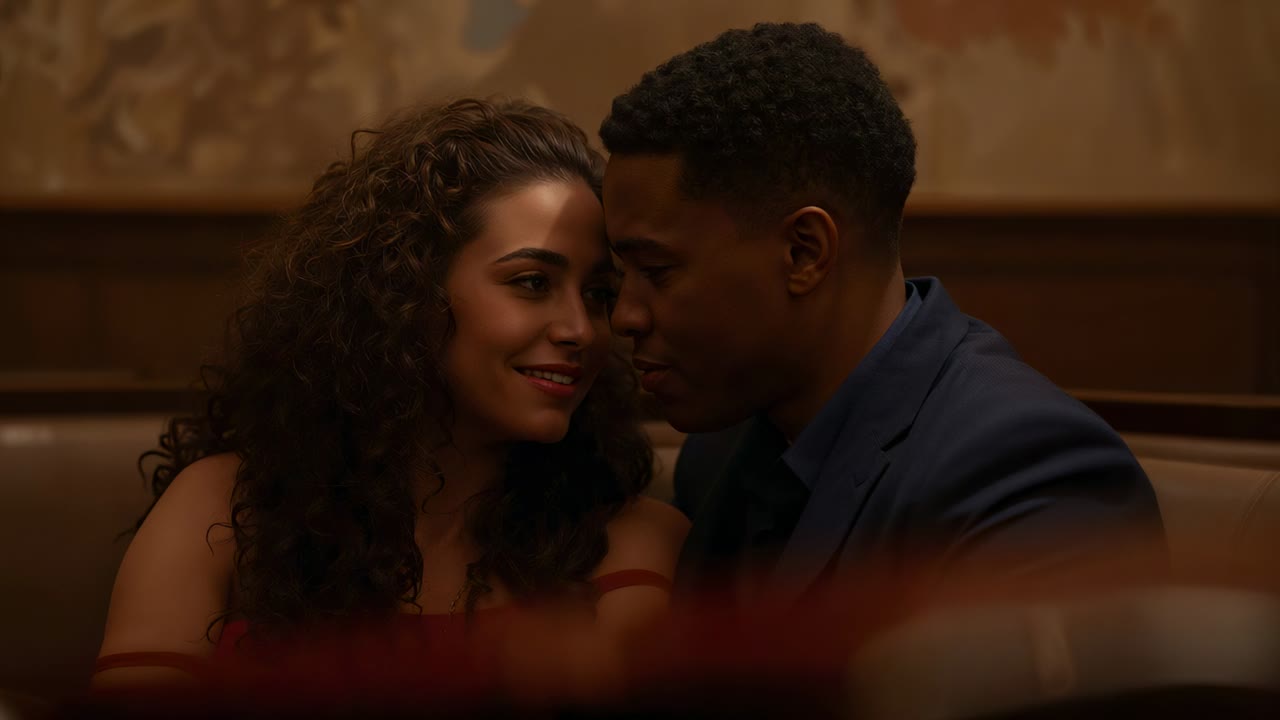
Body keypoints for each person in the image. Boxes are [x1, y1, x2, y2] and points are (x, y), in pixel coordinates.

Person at [93, 98, 689, 688]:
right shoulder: (223, 508)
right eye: (532, 283)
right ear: (404, 295)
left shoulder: (628, 538)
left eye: (597, 295)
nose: (580, 330)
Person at [598, 23, 1164, 601]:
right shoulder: (721, 451)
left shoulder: (1030, 473)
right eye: (621, 279)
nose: (625, 317)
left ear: (804, 252)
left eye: (658, 272)